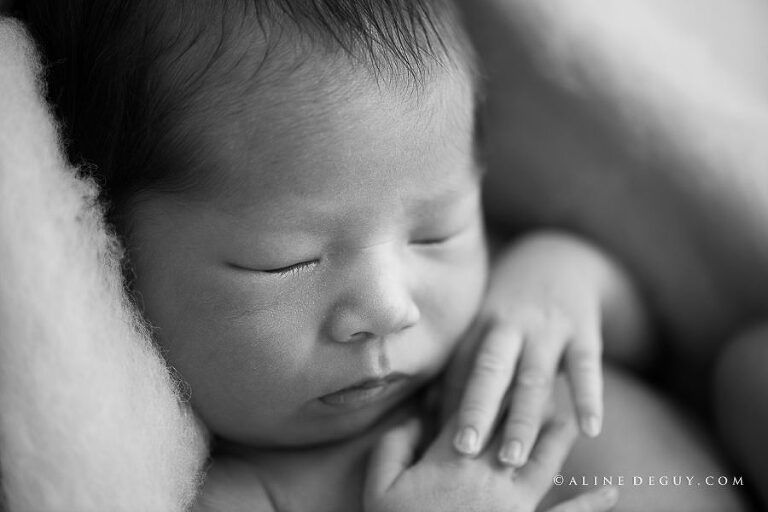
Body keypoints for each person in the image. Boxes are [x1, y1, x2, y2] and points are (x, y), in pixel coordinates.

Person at [21, 0, 746, 510]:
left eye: (436, 233)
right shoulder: (252, 494)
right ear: (115, 257)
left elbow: (653, 337)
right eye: (287, 263)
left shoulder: (489, 298)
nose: (390, 308)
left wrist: (564, 276)